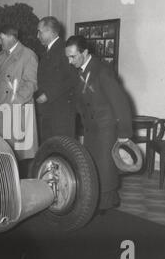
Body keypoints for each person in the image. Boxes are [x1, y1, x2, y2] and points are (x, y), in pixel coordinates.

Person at [65, 35, 133, 211]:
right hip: (91, 128)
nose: (70, 61)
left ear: (85, 52)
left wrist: (124, 134)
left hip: (106, 128)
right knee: (95, 166)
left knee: (105, 167)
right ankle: (108, 200)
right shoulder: (79, 71)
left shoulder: (102, 70)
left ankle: (105, 205)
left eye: (73, 56)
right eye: (68, 57)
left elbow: (121, 103)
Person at [0, 25, 38, 175]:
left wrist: (13, 103)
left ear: (11, 37)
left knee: (18, 157)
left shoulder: (28, 55)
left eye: (1, 38)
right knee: (0, 152)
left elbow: (31, 84)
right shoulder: (0, 56)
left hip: (17, 110)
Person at [35, 16, 77, 143]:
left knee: (61, 149)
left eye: (40, 32)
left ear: (51, 32)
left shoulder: (64, 49)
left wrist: (48, 94)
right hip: (47, 111)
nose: (37, 36)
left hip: (61, 113)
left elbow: (72, 78)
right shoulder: (47, 51)